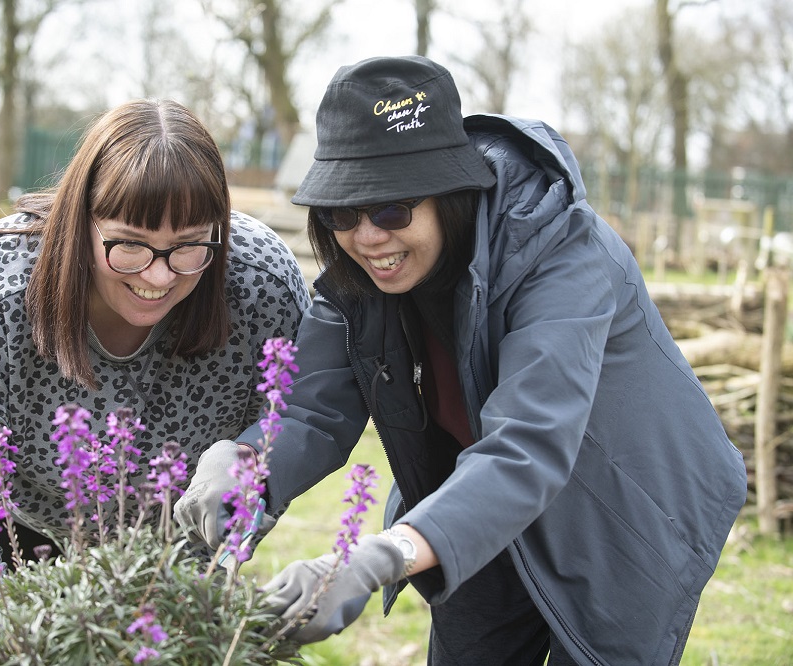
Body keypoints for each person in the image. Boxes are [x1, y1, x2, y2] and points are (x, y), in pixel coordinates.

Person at [174, 56, 747, 664]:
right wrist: (240, 464)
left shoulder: (560, 253)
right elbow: (310, 413)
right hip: (474, 503)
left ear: (451, 194)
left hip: (623, 510)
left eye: (393, 210)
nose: (369, 237)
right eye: (344, 213)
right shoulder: (356, 284)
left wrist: (378, 557)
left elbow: (528, 444)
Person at [0, 98, 311, 622]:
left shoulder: (260, 284)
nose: (158, 276)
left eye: (187, 246)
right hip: (21, 537)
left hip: (177, 539)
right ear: (80, 223)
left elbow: (293, 421)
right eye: (129, 246)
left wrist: (244, 491)